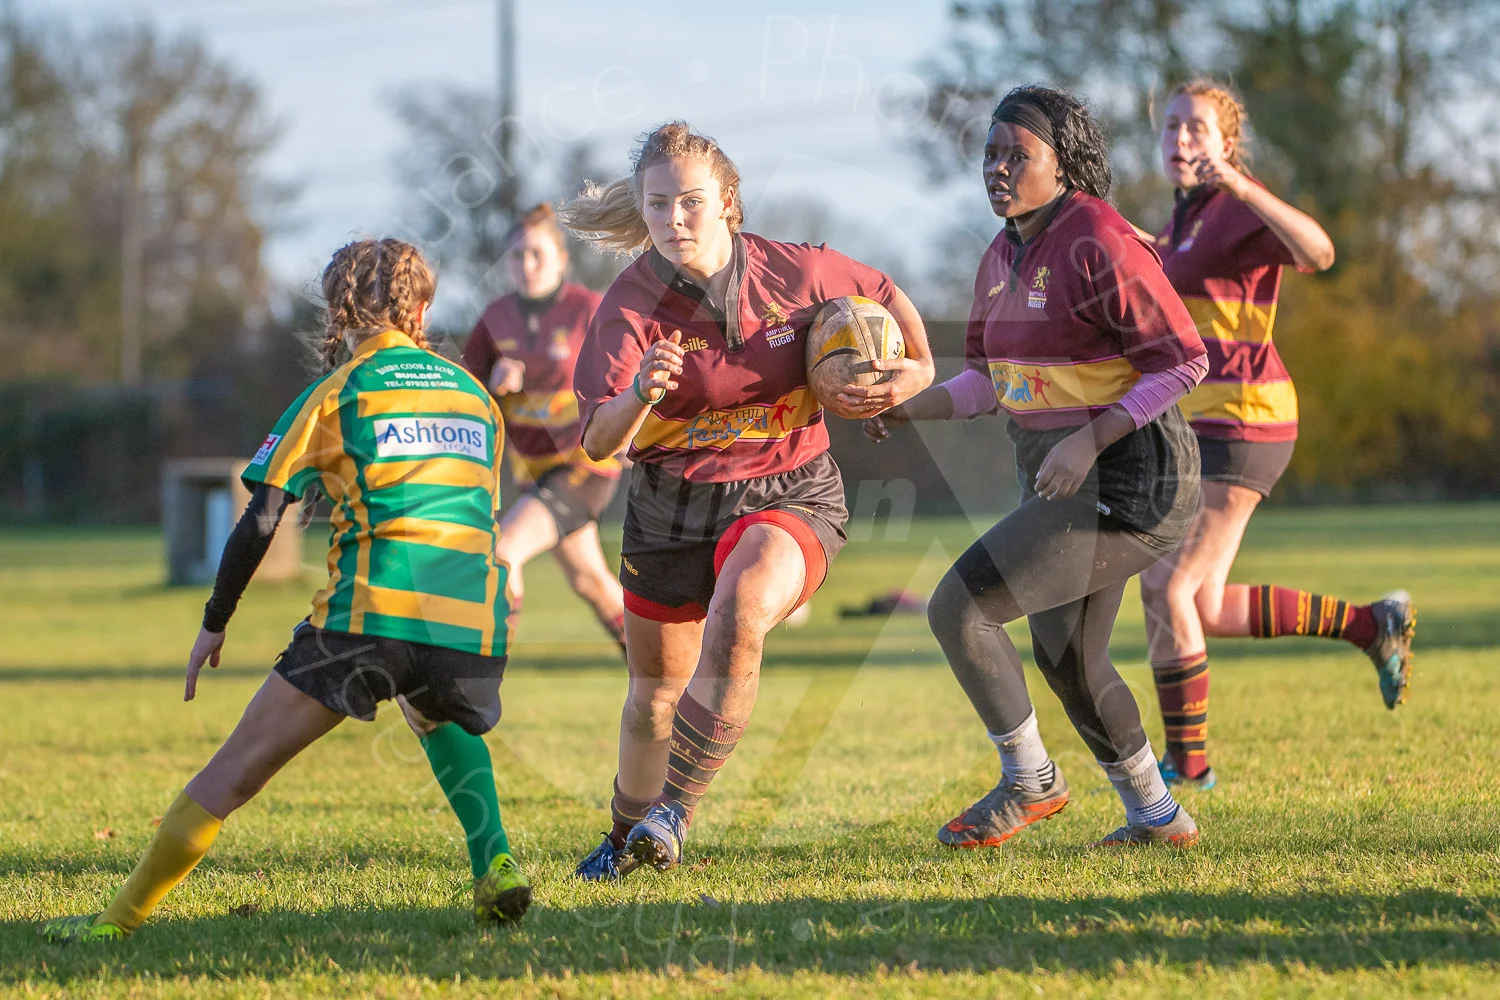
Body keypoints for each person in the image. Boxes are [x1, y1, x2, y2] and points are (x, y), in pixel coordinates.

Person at [41, 239, 530, 943]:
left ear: (338, 311)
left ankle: (114, 924)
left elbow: (263, 518)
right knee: (438, 711)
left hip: (370, 618)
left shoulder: (337, 393)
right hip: (470, 624)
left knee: (233, 772)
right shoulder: (480, 401)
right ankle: (496, 866)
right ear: (422, 310)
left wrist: (215, 622)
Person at [561, 121, 934, 880]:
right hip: (671, 505)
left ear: (728, 202)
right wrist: (639, 392)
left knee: (742, 609)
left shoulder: (799, 274)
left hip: (790, 488)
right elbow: (600, 442)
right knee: (653, 698)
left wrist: (918, 372)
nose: (673, 221)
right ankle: (625, 836)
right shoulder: (629, 304)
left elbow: (887, 294)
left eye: (691, 203)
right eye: (657, 205)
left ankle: (672, 814)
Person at [867, 85, 1209, 849]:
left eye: (1016, 154)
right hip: (1072, 490)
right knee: (1067, 656)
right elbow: (989, 383)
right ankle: (1159, 817)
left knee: (960, 606)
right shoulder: (999, 253)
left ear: (1065, 165)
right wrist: (902, 404)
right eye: (989, 154)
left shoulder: (1098, 236)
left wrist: (1089, 437)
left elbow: (1185, 360)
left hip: (1134, 484)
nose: (996, 167)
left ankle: (1031, 782)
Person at [1137, 79, 1415, 792]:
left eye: (1196, 128)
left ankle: (1188, 769)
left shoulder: (1232, 205)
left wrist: (1244, 184)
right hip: (1207, 422)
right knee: (1205, 604)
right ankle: (1371, 625)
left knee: (1168, 585)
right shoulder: (1186, 218)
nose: (1180, 140)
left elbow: (1320, 252)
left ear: (1226, 142)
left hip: (1246, 418)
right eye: (1170, 128)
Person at [462, 203, 628, 657]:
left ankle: (481, 676)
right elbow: (464, 400)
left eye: (536, 254)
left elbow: (629, 377)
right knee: (591, 581)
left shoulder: (588, 310)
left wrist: (639, 428)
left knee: (502, 553)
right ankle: (669, 679)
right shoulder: (494, 318)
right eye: (517, 256)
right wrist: (492, 388)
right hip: (534, 474)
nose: (526, 265)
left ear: (560, 258)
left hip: (586, 465)